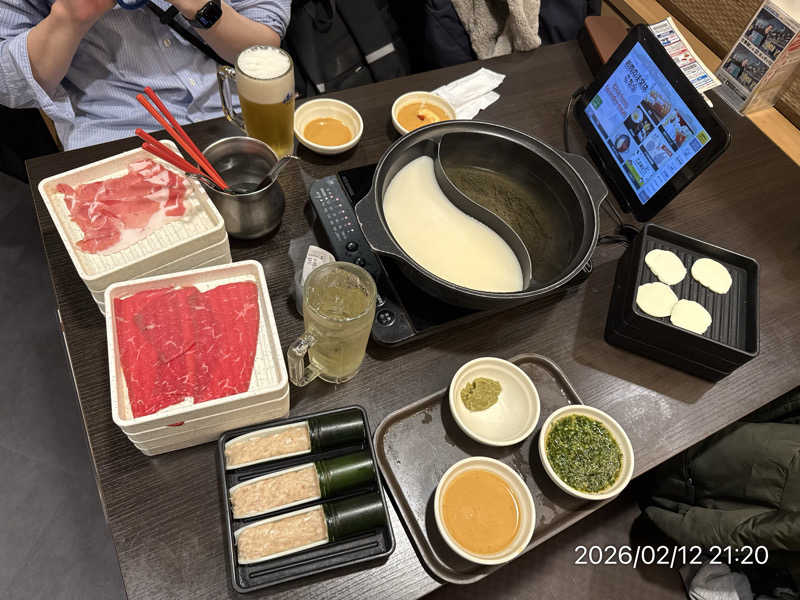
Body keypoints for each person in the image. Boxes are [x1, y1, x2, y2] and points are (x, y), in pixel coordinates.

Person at [0, 0, 291, 150]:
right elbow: (10, 86)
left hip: (241, 111)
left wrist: (201, 6)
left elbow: (265, 44)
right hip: (114, 132)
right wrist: (70, 16)